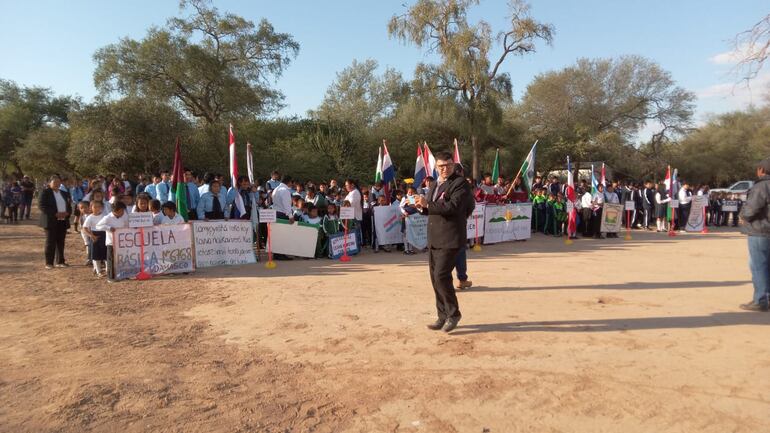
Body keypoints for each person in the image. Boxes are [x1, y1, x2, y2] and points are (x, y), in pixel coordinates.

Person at [416, 151, 474, 333]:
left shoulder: (460, 183)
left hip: (451, 237)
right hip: (435, 238)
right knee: (435, 279)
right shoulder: (434, 184)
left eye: (448, 165)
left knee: (441, 276)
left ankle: (453, 314)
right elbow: (432, 208)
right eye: (441, 166)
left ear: (453, 165)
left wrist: (428, 205)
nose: (444, 169)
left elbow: (454, 207)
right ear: (436, 167)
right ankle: (442, 315)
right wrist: (421, 207)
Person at [738, 157, 770, 311]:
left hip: (760, 231)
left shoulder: (761, 186)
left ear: (761, 170)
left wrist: (743, 216)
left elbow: (751, 209)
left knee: (758, 265)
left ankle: (760, 299)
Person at [39, 175, 72, 269]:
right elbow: (42, 206)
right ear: (50, 183)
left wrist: (67, 213)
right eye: (54, 182)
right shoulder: (45, 192)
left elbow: (69, 206)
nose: (57, 184)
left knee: (61, 242)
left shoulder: (64, 193)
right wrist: (55, 213)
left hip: (62, 220)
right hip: (50, 221)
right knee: (50, 241)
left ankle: (60, 261)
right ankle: (49, 263)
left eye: (58, 182)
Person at [96, 201, 129, 282]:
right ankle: (111, 277)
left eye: (123, 210)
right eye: (121, 211)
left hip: (122, 242)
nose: (123, 212)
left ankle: (122, 274)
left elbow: (127, 224)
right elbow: (98, 226)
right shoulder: (107, 218)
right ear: (115, 211)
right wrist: (109, 228)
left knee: (122, 258)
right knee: (111, 259)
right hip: (111, 242)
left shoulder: (124, 216)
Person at [82, 201, 107, 277]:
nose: (97, 208)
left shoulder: (105, 216)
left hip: (104, 235)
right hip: (94, 236)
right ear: (91, 208)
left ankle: (108, 270)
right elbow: (85, 228)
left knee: (106, 254)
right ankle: (98, 271)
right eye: (95, 207)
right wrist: (91, 236)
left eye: (99, 207)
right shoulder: (90, 217)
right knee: (96, 255)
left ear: (102, 208)